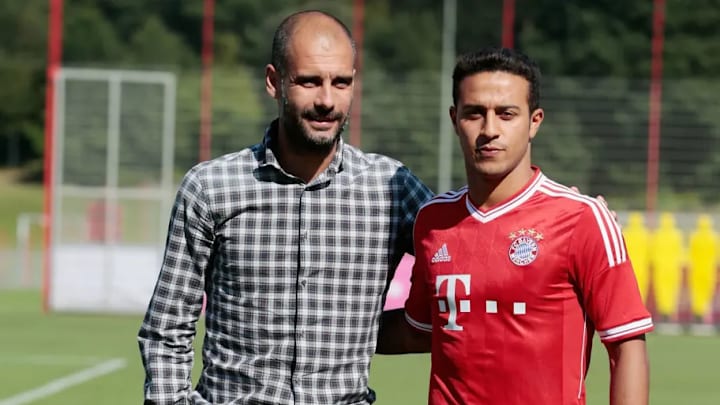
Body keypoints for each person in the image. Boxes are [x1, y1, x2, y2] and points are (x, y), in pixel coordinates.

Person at [137, 10, 434, 405]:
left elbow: (463, 261)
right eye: (308, 81)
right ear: (273, 81)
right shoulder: (211, 188)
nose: (326, 100)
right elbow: (167, 328)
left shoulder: (391, 187)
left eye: (340, 82)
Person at [376, 48, 653, 405]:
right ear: (454, 119)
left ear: (534, 121)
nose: (490, 130)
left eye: (506, 114)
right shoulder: (432, 221)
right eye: (474, 113)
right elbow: (419, 330)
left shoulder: (582, 219)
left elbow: (626, 347)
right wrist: (325, 330)